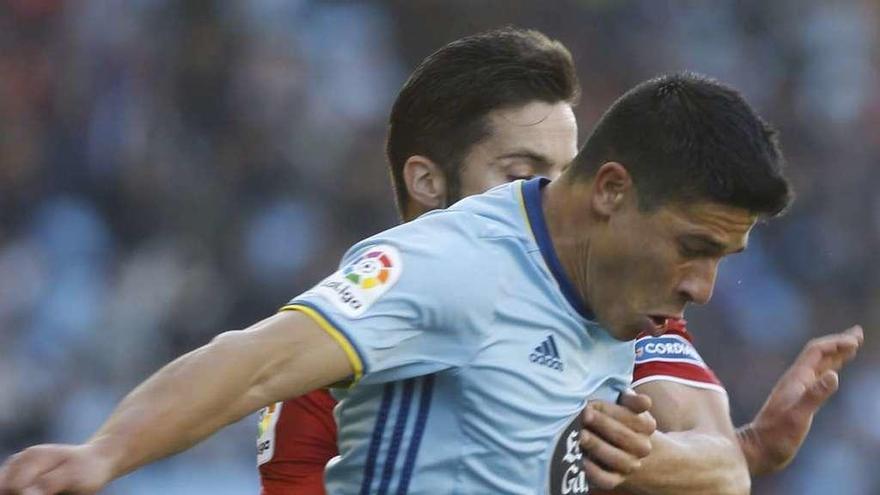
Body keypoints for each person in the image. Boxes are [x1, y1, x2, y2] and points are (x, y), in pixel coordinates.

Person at [0, 70, 859, 495]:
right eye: (695, 247)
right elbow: (257, 360)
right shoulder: (450, 267)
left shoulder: (632, 290)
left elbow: (721, 466)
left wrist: (700, 456)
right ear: (611, 193)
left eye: (722, 258)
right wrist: (103, 452)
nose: (705, 285)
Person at [258, 29, 864, 495]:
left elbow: (715, 463)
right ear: (427, 184)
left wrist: (737, 450)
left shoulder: (617, 312)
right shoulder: (333, 347)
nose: (556, 200)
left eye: (565, 172)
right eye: (523, 174)